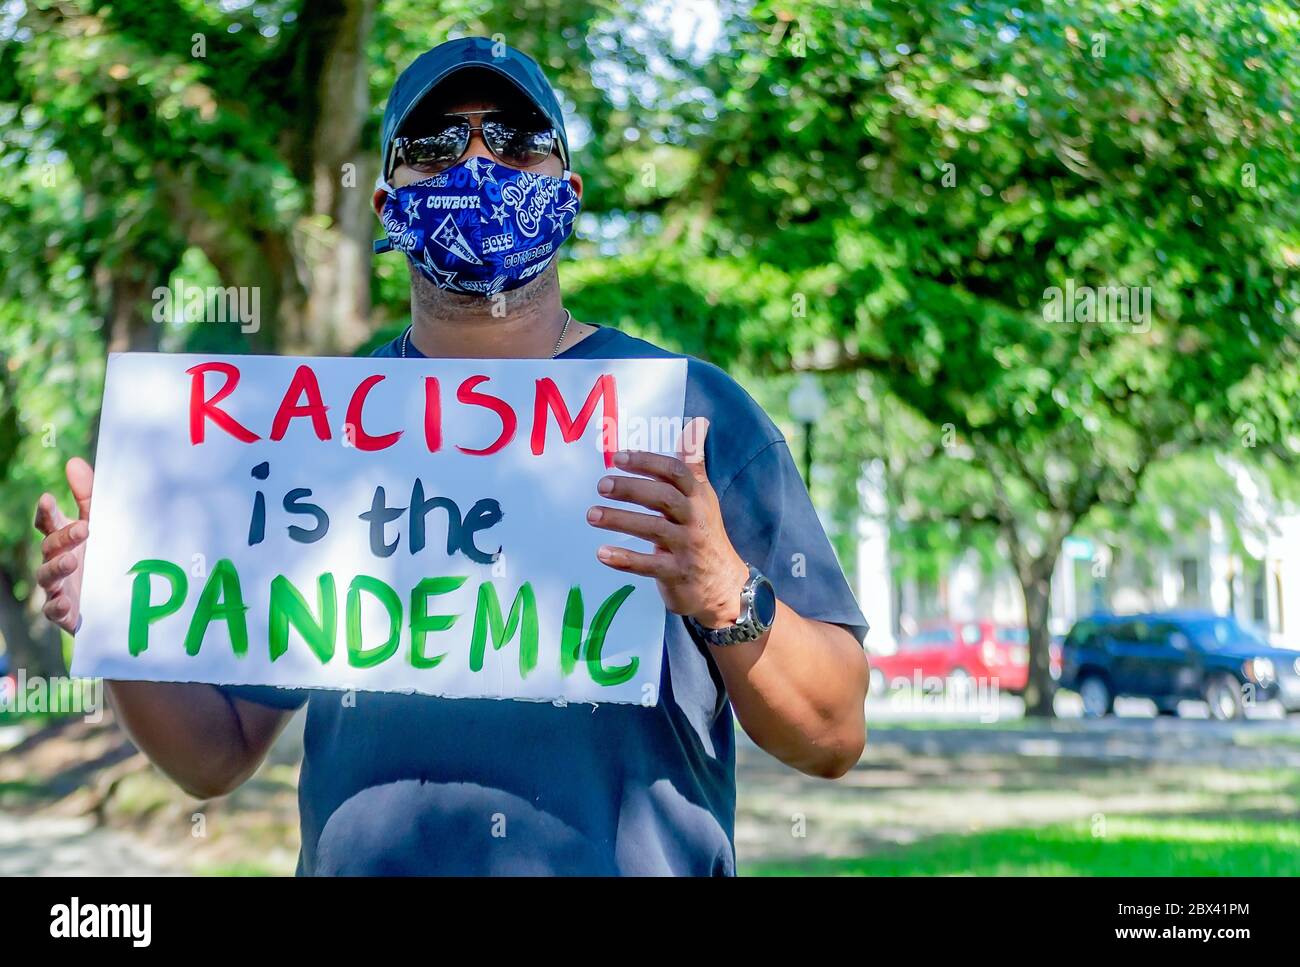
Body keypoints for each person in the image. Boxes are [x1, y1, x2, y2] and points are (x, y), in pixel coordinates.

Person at [33, 36, 869, 875]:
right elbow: (213, 756)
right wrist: (114, 612)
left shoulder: (695, 411)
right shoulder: (311, 431)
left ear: (568, 191)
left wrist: (724, 590)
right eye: (434, 145)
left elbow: (834, 732)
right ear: (390, 206)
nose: (476, 161)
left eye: (513, 138)